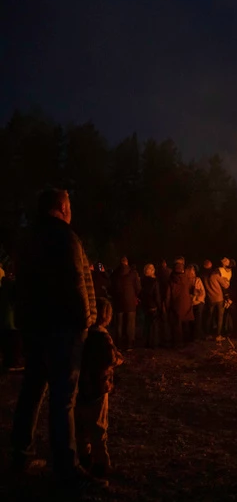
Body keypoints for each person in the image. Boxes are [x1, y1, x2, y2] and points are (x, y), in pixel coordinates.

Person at [11, 188, 104, 488]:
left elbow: (20, 288)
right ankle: (67, 468)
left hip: (35, 328)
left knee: (32, 392)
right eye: (70, 206)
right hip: (64, 329)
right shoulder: (66, 238)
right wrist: (86, 323)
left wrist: (24, 326)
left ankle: (21, 456)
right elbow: (79, 284)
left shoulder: (28, 241)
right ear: (62, 207)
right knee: (63, 400)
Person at [76, 297, 123, 478]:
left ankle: (83, 455)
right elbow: (111, 358)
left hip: (82, 386)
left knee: (80, 424)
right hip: (98, 387)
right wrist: (119, 359)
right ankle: (101, 463)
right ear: (107, 316)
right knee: (98, 426)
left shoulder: (82, 335)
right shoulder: (102, 337)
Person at [110, 256, 141, 350]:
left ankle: (118, 344)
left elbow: (111, 288)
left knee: (119, 324)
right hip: (130, 302)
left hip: (118, 302)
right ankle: (129, 344)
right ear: (127, 262)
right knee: (130, 324)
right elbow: (138, 287)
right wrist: (135, 295)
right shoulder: (133, 273)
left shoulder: (115, 273)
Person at [165, 258, 194, 348]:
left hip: (176, 304)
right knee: (185, 324)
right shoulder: (186, 278)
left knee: (177, 325)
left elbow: (168, 295)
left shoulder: (171, 280)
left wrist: (167, 305)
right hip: (186, 304)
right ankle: (187, 342)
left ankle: (178, 343)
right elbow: (189, 289)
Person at [1, 269, 24, 371]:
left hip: (6, 321)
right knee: (14, 342)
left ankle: (9, 361)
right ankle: (14, 362)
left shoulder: (4, 286)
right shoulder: (12, 285)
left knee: (9, 342)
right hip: (12, 322)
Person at [206, 259, 231, 340]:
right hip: (219, 298)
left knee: (209, 316)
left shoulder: (204, 277)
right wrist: (225, 280)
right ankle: (218, 335)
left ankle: (208, 334)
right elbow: (225, 285)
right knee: (220, 317)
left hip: (210, 298)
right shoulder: (215, 275)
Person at [140, 264, 162, 348]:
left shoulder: (142, 281)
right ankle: (154, 343)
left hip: (145, 305)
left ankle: (146, 342)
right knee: (154, 326)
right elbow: (157, 296)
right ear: (152, 271)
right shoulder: (154, 282)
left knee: (146, 324)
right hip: (153, 306)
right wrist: (159, 307)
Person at [188, 264, 206, 343]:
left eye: (193, 270)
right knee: (191, 321)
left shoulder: (197, 280)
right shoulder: (186, 280)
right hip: (190, 303)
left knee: (198, 320)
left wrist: (196, 297)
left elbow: (202, 292)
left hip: (198, 303)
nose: (192, 272)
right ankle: (192, 336)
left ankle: (197, 337)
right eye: (190, 270)